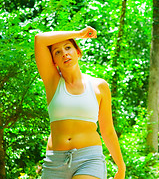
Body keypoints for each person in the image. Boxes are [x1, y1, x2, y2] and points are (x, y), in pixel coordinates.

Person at [34, 26, 126, 179]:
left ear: (78, 52)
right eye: (57, 52)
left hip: (89, 159)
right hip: (54, 161)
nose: (64, 53)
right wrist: (78, 34)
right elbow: (39, 39)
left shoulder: (99, 86)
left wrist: (121, 167)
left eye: (68, 47)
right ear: (54, 61)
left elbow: (108, 131)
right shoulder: (52, 82)